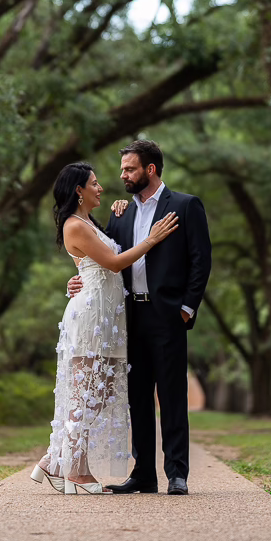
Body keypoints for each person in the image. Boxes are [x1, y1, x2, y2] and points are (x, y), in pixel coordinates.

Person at [68, 139, 212, 495]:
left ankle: (177, 474)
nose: (123, 176)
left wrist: (186, 308)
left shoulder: (185, 205)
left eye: (129, 169)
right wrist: (78, 281)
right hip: (129, 318)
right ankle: (144, 473)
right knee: (138, 396)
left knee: (173, 395)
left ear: (150, 169)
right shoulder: (120, 213)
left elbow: (201, 260)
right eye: (121, 170)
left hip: (168, 316)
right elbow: (106, 259)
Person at [31, 160, 178, 495]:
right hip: (91, 318)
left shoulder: (87, 221)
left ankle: (55, 461)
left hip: (107, 318)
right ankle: (75, 469)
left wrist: (121, 212)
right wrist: (151, 239)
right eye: (94, 183)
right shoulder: (74, 224)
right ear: (79, 190)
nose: (101, 188)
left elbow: (101, 256)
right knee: (85, 392)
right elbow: (112, 263)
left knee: (100, 392)